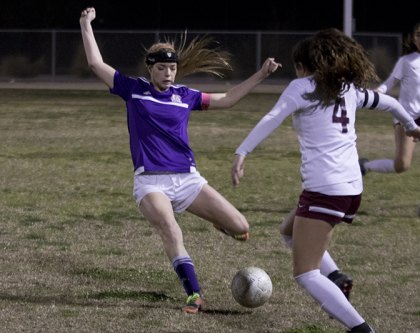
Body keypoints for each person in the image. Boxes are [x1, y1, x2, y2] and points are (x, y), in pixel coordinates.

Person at [79, 7, 281, 314]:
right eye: (161, 68)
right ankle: (194, 294)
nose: (168, 73)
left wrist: (262, 74)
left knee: (241, 227)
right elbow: (95, 63)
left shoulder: (185, 95)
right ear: (151, 69)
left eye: (172, 69)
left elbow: (227, 100)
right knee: (171, 230)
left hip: (187, 179)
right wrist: (86, 24)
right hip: (151, 182)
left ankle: (217, 221)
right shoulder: (134, 90)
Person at [231, 28, 420, 333]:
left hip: (326, 189)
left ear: (305, 65)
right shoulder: (349, 89)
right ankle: (336, 279)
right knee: (288, 231)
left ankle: (360, 329)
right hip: (349, 188)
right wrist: (411, 126)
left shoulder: (302, 86)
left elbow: (272, 117)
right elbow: (391, 104)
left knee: (305, 274)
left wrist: (242, 151)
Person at [360, 22, 420, 175]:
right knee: (402, 165)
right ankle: (365, 166)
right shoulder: (406, 62)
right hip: (407, 116)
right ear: (414, 39)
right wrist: (378, 92)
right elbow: (390, 82)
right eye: (418, 35)